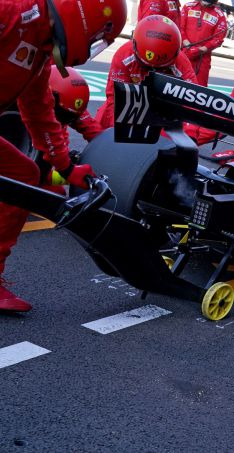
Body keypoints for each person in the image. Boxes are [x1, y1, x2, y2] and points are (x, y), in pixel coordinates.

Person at [0, 0, 127, 313]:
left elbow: (39, 111)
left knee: (23, 175)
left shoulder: (40, 51)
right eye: (98, 36)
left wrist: (67, 166)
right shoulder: (11, 12)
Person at [95, 15, 198, 128]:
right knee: (103, 118)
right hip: (132, 103)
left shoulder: (181, 63)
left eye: (159, 69)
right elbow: (115, 98)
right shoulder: (124, 55)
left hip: (165, 111)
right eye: (146, 66)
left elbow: (192, 104)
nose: (152, 71)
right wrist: (116, 132)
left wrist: (188, 139)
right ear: (134, 45)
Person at [43, 65, 103, 193]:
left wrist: (109, 149)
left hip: (46, 166)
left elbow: (93, 130)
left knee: (58, 193)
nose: (66, 120)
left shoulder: (69, 106)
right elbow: (38, 174)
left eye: (70, 117)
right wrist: (69, 172)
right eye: (63, 115)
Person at [180, 0, 228, 86]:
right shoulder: (188, 6)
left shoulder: (219, 15)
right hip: (184, 52)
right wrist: (186, 43)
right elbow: (180, 26)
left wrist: (203, 49)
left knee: (199, 87)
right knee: (176, 82)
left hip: (203, 58)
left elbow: (219, 38)